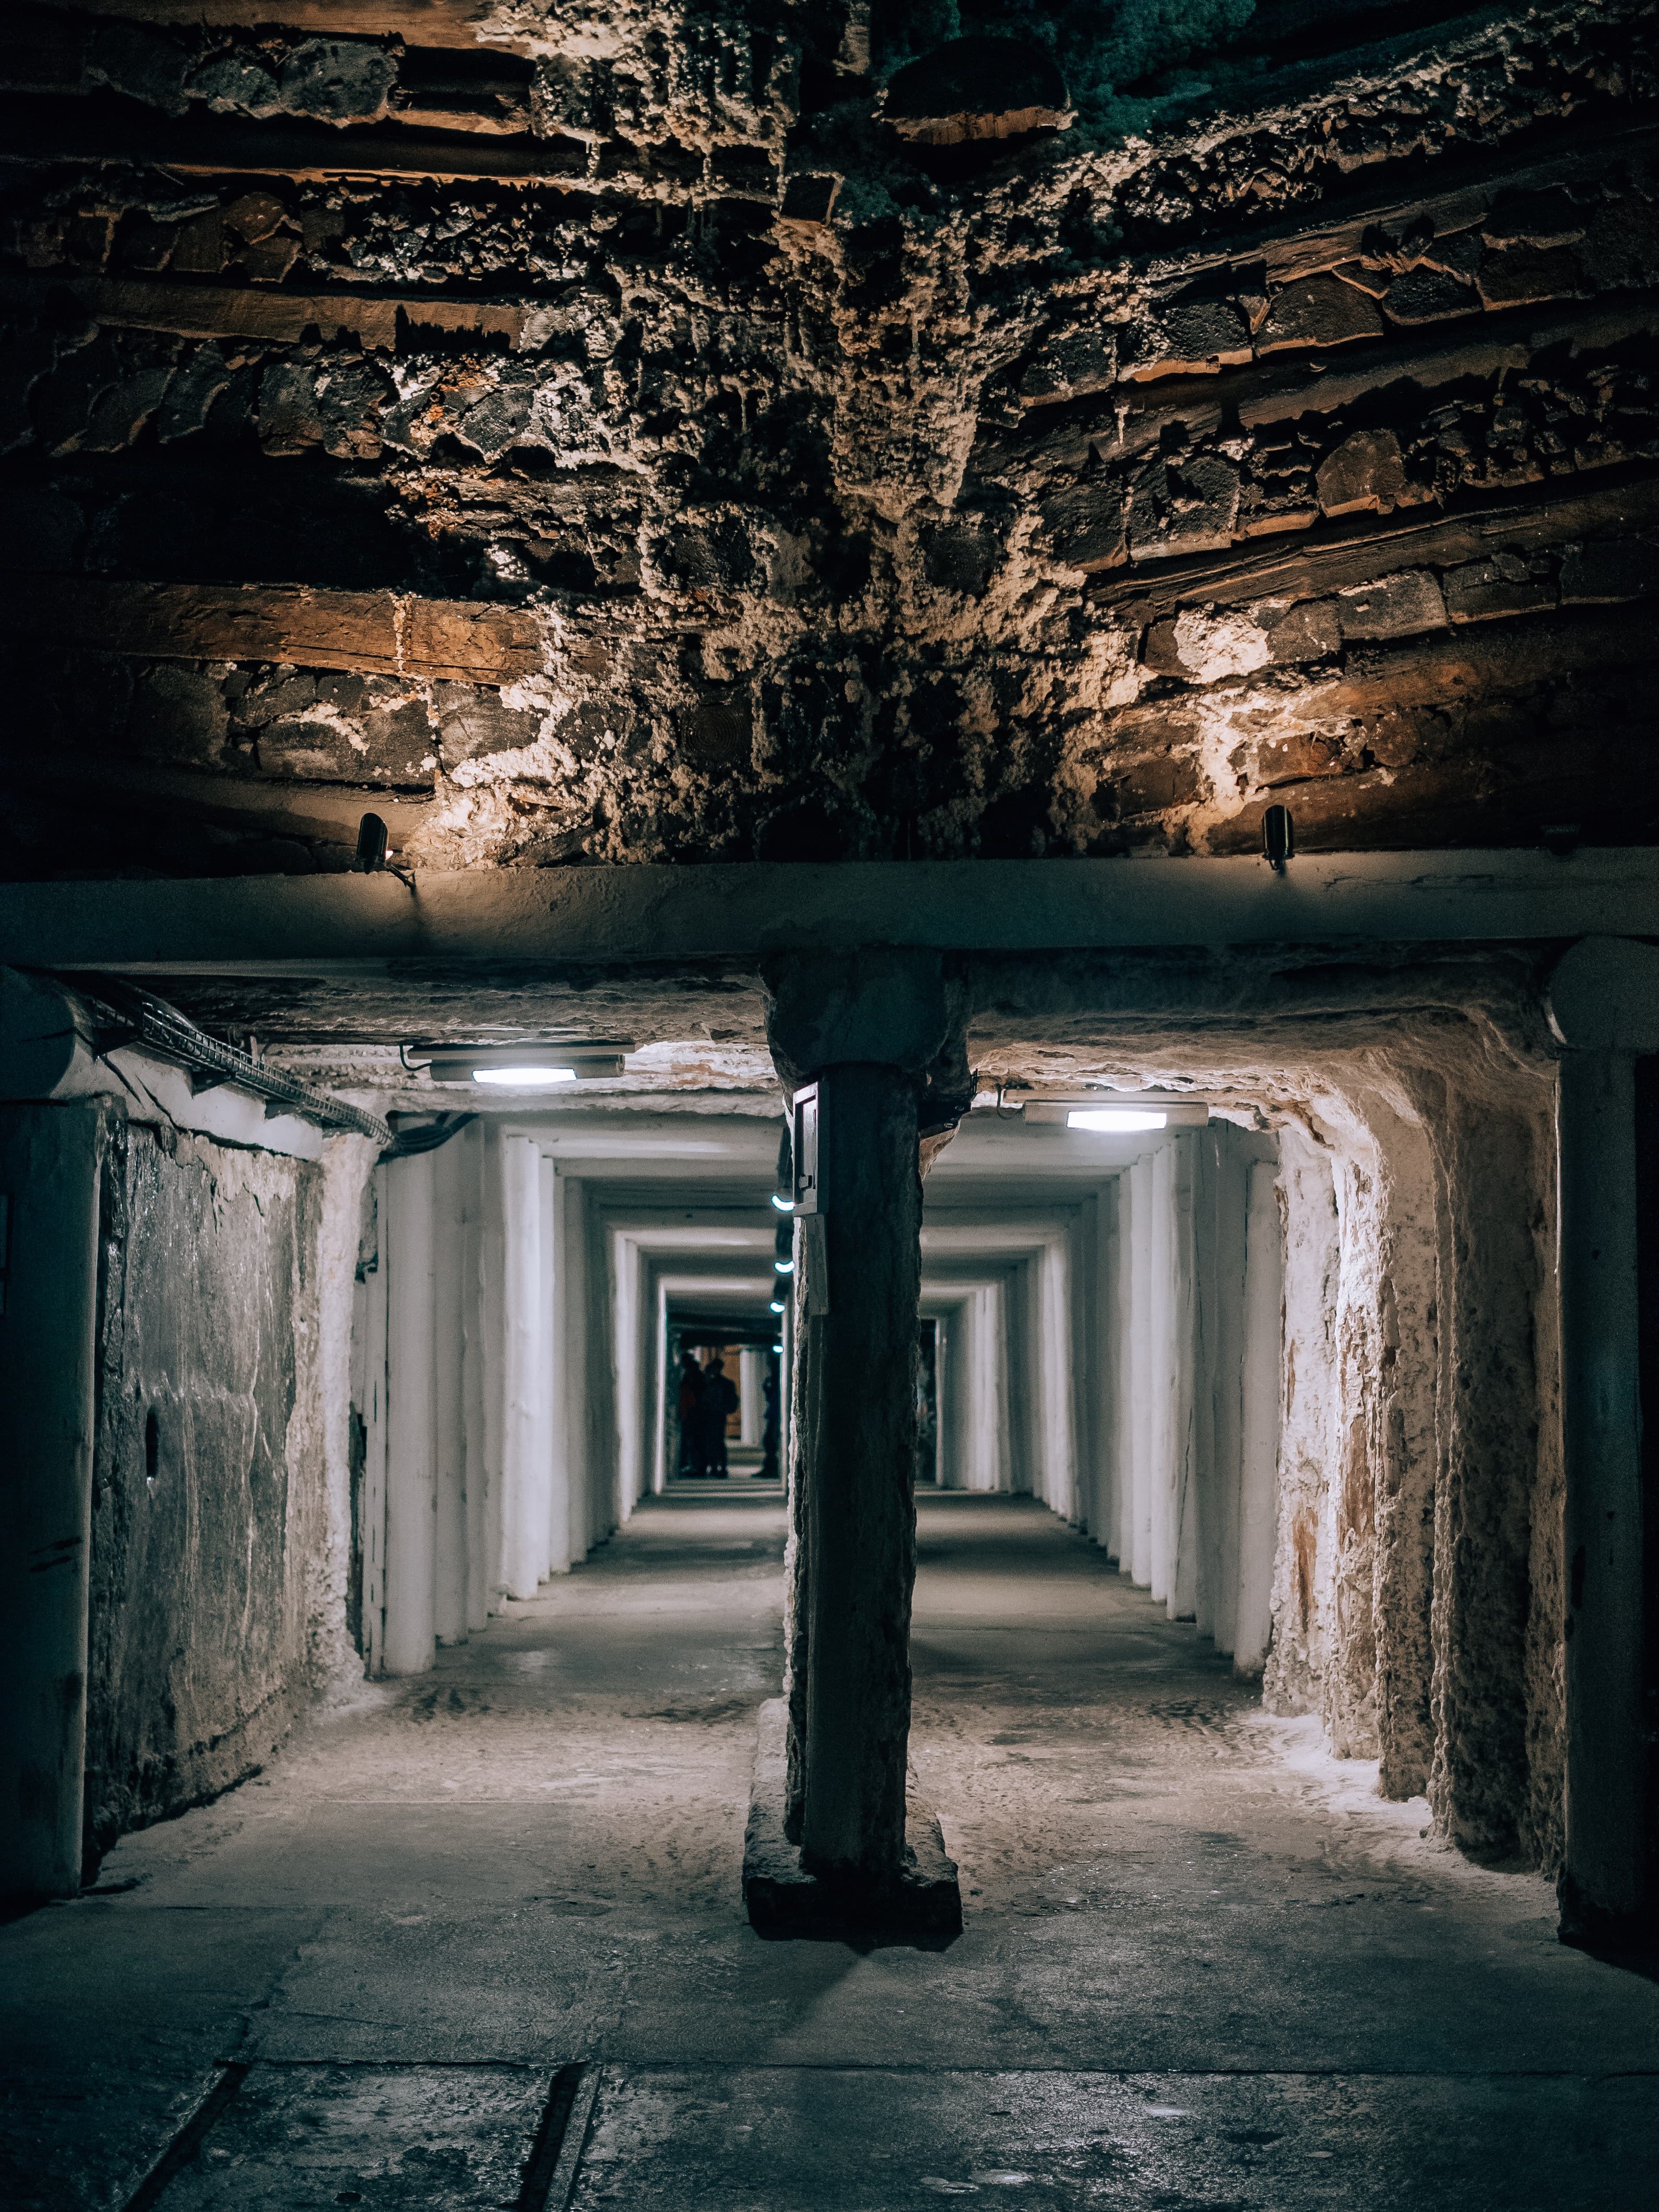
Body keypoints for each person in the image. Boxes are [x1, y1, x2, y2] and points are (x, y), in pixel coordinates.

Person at [701, 1354, 738, 1477]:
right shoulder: (724, 1383)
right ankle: (718, 1468)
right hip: (715, 1415)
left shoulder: (713, 1384)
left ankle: (717, 1468)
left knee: (715, 1442)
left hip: (714, 1415)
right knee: (716, 1442)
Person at [676, 1351, 706, 1478]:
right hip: (697, 1413)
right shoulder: (697, 1376)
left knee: (695, 1441)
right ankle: (697, 1466)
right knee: (697, 1442)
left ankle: (697, 1467)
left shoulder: (692, 1377)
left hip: (694, 1413)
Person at [761, 1362, 780, 1482]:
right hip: (773, 1414)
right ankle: (769, 1467)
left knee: (770, 1441)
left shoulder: (776, 1380)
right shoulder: (773, 1381)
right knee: (769, 1441)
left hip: (775, 1415)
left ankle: (771, 1468)